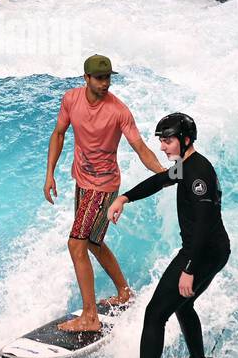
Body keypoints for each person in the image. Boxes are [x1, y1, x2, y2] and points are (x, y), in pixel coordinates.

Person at [103, 113, 231, 358]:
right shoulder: (185, 167)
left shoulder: (198, 174)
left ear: (185, 140)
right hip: (211, 251)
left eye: (167, 139)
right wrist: (125, 197)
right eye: (160, 139)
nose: (161, 146)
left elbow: (202, 226)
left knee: (154, 315)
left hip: (201, 253)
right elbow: (160, 180)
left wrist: (188, 269)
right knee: (183, 306)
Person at [45, 54, 164, 333]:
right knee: (93, 242)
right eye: (99, 78)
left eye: (108, 77)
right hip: (82, 182)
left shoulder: (119, 111)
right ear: (86, 78)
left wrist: (164, 173)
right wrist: (49, 173)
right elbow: (59, 133)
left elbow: (141, 148)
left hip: (104, 187)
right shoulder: (71, 99)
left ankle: (90, 317)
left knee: (76, 244)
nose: (105, 83)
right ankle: (124, 292)